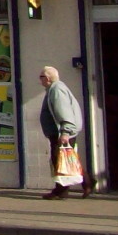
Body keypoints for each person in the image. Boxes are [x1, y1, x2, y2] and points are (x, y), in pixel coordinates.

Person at [38, 65, 86, 199]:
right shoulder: (54, 89)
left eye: (41, 77)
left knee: (59, 160)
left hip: (62, 133)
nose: (39, 80)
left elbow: (64, 111)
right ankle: (87, 183)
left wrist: (66, 132)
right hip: (58, 133)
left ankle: (60, 190)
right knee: (66, 160)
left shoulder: (57, 90)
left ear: (47, 78)